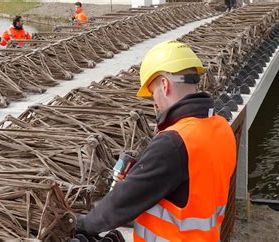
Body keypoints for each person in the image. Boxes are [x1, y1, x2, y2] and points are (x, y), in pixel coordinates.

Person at [74, 40, 237, 241]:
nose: (154, 101)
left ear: (165, 85)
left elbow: (122, 201)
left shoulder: (174, 142)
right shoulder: (221, 129)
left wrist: (84, 223)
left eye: (152, 92)